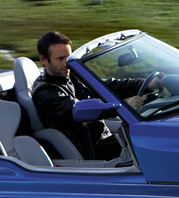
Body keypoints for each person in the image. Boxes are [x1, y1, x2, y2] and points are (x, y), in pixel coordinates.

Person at [31, 31, 154, 160]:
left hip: (106, 140)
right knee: (151, 143)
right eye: (60, 59)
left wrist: (147, 84)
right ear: (44, 60)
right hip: (95, 153)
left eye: (68, 57)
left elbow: (108, 86)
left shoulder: (71, 75)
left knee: (151, 132)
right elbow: (78, 109)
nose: (66, 63)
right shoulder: (44, 92)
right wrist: (123, 107)